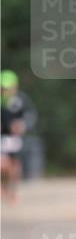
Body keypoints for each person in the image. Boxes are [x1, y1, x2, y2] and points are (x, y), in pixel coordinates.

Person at [1, 70, 37, 203]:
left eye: (7, 88)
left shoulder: (21, 100)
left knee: (15, 166)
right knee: (3, 165)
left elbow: (30, 116)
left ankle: (12, 191)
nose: (5, 91)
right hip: (1, 137)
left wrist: (22, 125)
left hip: (14, 139)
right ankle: (4, 188)